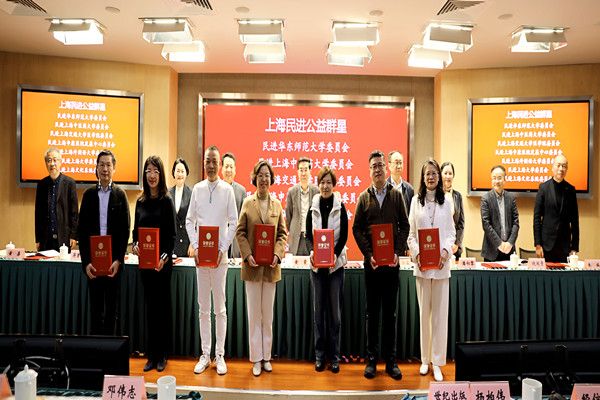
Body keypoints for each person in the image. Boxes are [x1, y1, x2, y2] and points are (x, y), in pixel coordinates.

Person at [352, 150, 409, 380]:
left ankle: (391, 362)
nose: (378, 169)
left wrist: (397, 252)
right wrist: (369, 254)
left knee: (390, 315)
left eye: (380, 165)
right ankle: (372, 361)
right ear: (369, 170)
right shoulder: (363, 198)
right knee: (372, 314)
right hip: (373, 266)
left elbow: (405, 226)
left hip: (391, 266)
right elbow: (356, 228)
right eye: (374, 166)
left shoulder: (396, 195)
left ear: (386, 168)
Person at [186, 146, 238, 375]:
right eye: (208, 161)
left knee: (220, 308)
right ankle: (205, 354)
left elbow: (233, 221)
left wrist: (222, 248)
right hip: (201, 259)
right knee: (203, 308)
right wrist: (196, 246)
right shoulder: (197, 189)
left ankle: (220, 355)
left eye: (214, 161)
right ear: (204, 163)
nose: (211, 165)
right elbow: (189, 221)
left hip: (220, 259)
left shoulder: (227, 190)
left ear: (220, 164)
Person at [236, 160, 287, 377]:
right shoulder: (248, 203)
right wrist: (247, 255)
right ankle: (256, 358)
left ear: (271, 179)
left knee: (268, 316)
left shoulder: (277, 205)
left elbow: (282, 234)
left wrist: (277, 253)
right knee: (254, 315)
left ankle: (267, 357)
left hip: (271, 269)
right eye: (260, 175)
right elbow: (240, 232)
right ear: (255, 178)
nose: (263, 179)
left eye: (267, 175)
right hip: (253, 268)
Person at [407, 158, 456, 382]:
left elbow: (451, 233)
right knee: (424, 316)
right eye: (427, 173)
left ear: (439, 176)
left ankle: (437, 362)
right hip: (422, 267)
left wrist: (445, 252)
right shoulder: (415, 201)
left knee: (439, 317)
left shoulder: (447, 201)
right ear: (422, 177)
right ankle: (425, 360)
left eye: (434, 173)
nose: (431, 177)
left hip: (441, 266)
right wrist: (417, 254)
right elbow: (411, 235)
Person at [78, 150, 130, 335]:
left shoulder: (120, 195)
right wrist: (86, 263)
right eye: (102, 165)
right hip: (93, 264)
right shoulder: (88, 195)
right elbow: (82, 232)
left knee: (111, 312)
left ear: (114, 168)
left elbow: (125, 232)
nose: (105, 169)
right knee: (95, 310)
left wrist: (118, 260)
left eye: (108, 165)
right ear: (96, 168)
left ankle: (109, 349)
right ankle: (95, 349)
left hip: (113, 265)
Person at [132, 156, 176, 373]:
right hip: (146, 266)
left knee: (162, 310)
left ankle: (163, 355)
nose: (152, 175)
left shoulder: (166, 201)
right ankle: (151, 355)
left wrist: (163, 259)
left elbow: (172, 236)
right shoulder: (140, 202)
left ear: (161, 175)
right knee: (150, 310)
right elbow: (135, 234)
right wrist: (135, 246)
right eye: (148, 171)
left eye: (156, 171)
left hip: (162, 265)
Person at [305, 166, 348, 374]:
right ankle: (320, 356)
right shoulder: (313, 206)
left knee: (335, 316)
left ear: (334, 185)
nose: (325, 186)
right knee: (318, 314)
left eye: (329, 182)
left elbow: (344, 235)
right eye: (322, 182)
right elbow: (308, 235)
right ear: (318, 184)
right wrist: (312, 251)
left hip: (335, 268)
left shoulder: (341, 206)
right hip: (317, 269)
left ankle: (335, 357)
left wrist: (335, 255)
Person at [533, 154, 579, 262]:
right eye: (558, 165)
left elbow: (575, 221)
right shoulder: (543, 188)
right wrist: (538, 244)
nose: (561, 169)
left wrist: (574, 247)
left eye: (564, 166)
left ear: (567, 169)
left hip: (564, 246)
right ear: (552, 167)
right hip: (546, 245)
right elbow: (537, 218)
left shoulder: (571, 190)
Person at [35, 148, 78, 251]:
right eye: (49, 160)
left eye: (55, 160)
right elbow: (38, 214)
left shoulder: (70, 183)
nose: (52, 164)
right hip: (46, 238)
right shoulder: (41, 185)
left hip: (64, 236)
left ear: (60, 162)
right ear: (46, 164)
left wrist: (74, 236)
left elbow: (74, 213)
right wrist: (38, 238)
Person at [480, 165, 519, 262]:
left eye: (499, 178)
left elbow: (516, 223)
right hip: (491, 252)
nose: (497, 181)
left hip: (509, 251)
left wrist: (510, 243)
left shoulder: (511, 198)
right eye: (494, 178)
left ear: (504, 180)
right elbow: (486, 224)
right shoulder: (485, 199)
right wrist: (499, 244)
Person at [285, 157, 319, 255]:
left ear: (310, 171)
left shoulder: (316, 191)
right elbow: (288, 216)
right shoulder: (291, 192)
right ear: (297, 172)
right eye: (301, 170)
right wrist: (294, 229)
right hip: (296, 238)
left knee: (313, 263)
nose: (303, 173)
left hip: (312, 237)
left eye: (306, 170)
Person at [222, 152, 247, 258]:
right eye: (226, 166)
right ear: (221, 169)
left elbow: (244, 218)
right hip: (220, 236)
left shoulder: (241, 191)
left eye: (231, 167)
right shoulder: (216, 189)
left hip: (235, 240)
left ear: (235, 170)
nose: (229, 170)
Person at [169, 158, 194, 258]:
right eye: (178, 171)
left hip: (186, 243)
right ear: (173, 173)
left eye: (182, 171)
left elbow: (195, 221)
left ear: (186, 173)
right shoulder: (167, 194)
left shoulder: (192, 193)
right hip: (171, 243)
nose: (180, 174)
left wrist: (193, 244)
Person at [440, 162, 464, 259]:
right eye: (445, 173)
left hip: (454, 247)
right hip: (439, 244)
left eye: (450, 173)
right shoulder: (436, 195)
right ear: (440, 174)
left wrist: (457, 243)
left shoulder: (458, 196)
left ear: (453, 175)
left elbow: (461, 223)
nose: (448, 176)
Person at [387, 150, 414, 215]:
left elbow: (411, 213)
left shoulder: (409, 189)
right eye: (396, 163)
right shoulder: (383, 187)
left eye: (400, 163)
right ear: (389, 165)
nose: (399, 166)